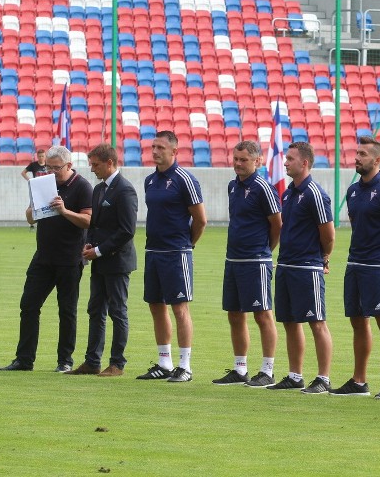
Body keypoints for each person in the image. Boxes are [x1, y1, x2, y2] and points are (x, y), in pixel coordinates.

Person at [0, 146, 92, 372]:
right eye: (48, 166)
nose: (50, 170)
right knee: (28, 305)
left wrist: (64, 211)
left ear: (68, 166)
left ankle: (65, 361)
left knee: (66, 310)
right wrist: (31, 210)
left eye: (56, 167)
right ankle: (24, 359)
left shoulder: (83, 187)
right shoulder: (42, 183)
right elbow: (31, 218)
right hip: (43, 257)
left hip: (70, 258)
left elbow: (88, 221)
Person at [330, 136, 380, 400]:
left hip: (377, 266)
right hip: (354, 263)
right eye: (357, 153)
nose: (357, 158)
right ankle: (359, 380)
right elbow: (357, 226)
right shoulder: (353, 191)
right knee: (357, 321)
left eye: (363, 154)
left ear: (377, 160)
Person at [136, 131, 207, 383]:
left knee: (180, 308)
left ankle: (185, 366)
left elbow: (200, 220)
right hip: (153, 251)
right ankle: (164, 362)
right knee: (155, 305)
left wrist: (188, 244)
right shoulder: (150, 181)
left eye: (161, 148)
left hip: (176, 253)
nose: (155, 151)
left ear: (174, 152)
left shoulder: (185, 179)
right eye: (153, 147)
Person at [266, 142, 335, 394]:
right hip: (285, 265)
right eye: (286, 158)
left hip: (307, 267)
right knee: (290, 322)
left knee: (317, 322)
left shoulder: (315, 194)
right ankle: (295, 375)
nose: (285, 162)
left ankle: (323, 378)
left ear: (304, 163)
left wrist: (323, 258)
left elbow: (328, 234)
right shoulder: (288, 193)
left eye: (291, 159)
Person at [212, 141, 282, 388]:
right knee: (234, 314)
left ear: (257, 161)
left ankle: (267, 370)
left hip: (256, 261)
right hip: (233, 260)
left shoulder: (264, 188)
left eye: (244, 160)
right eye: (236, 159)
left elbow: (277, 225)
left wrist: (264, 250)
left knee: (262, 314)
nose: (238, 164)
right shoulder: (233, 186)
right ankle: (240, 368)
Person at [67, 144, 138, 377]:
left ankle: (117, 364)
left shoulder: (125, 190)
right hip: (99, 260)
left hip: (117, 262)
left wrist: (98, 250)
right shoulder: (98, 190)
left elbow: (127, 230)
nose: (92, 169)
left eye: (96, 165)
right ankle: (92, 362)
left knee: (118, 311)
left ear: (110, 163)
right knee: (95, 310)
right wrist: (89, 243)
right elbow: (95, 224)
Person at [22, 149, 48, 230]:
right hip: (36, 189)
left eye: (43, 156)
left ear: (45, 156)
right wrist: (30, 180)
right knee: (33, 205)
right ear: (37, 156)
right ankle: (32, 223)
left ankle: (46, 221)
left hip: (46, 189)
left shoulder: (48, 165)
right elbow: (23, 172)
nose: (41, 158)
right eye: (39, 156)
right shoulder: (33, 165)